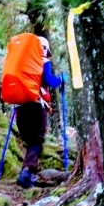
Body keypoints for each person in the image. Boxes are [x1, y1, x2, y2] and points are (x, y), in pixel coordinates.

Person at [16, 36, 67, 189]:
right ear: (44, 49)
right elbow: (50, 81)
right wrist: (61, 79)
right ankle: (25, 174)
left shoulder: (21, 63)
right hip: (36, 107)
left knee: (31, 142)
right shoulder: (43, 62)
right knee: (36, 141)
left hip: (20, 108)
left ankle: (30, 175)